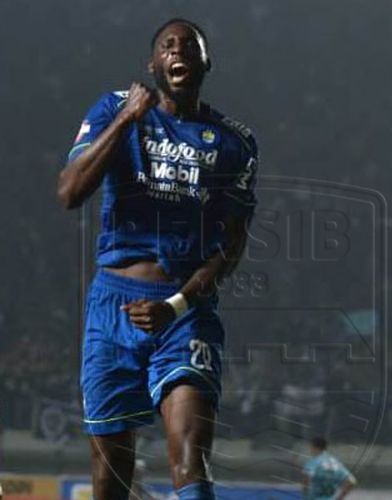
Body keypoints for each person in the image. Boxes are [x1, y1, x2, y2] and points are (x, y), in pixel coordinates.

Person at [57, 18, 259, 500]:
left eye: (190, 45)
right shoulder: (114, 108)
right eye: (167, 45)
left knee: (191, 460)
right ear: (152, 64)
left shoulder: (234, 141)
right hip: (113, 307)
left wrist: (177, 305)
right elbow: (69, 192)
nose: (178, 50)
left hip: (183, 313)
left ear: (205, 62)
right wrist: (128, 118)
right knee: (111, 474)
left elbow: (231, 246)